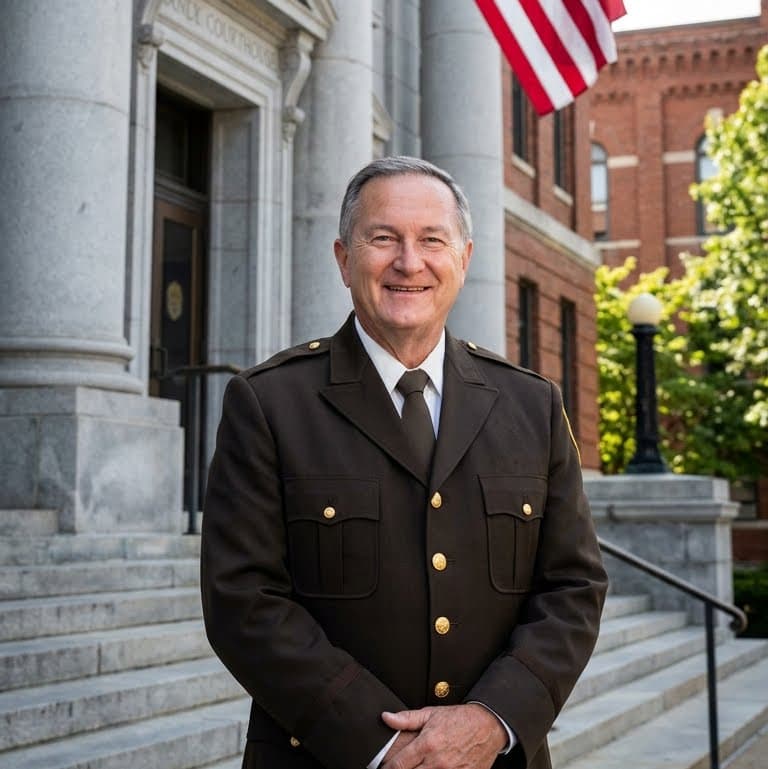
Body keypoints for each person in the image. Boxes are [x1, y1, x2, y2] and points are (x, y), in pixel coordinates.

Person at [201, 156, 608, 769]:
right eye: (383, 238)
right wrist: (382, 743)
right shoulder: (269, 403)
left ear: (464, 259)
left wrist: (492, 720)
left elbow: (573, 588)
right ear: (343, 259)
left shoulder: (533, 405)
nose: (409, 263)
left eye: (432, 240)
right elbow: (243, 600)